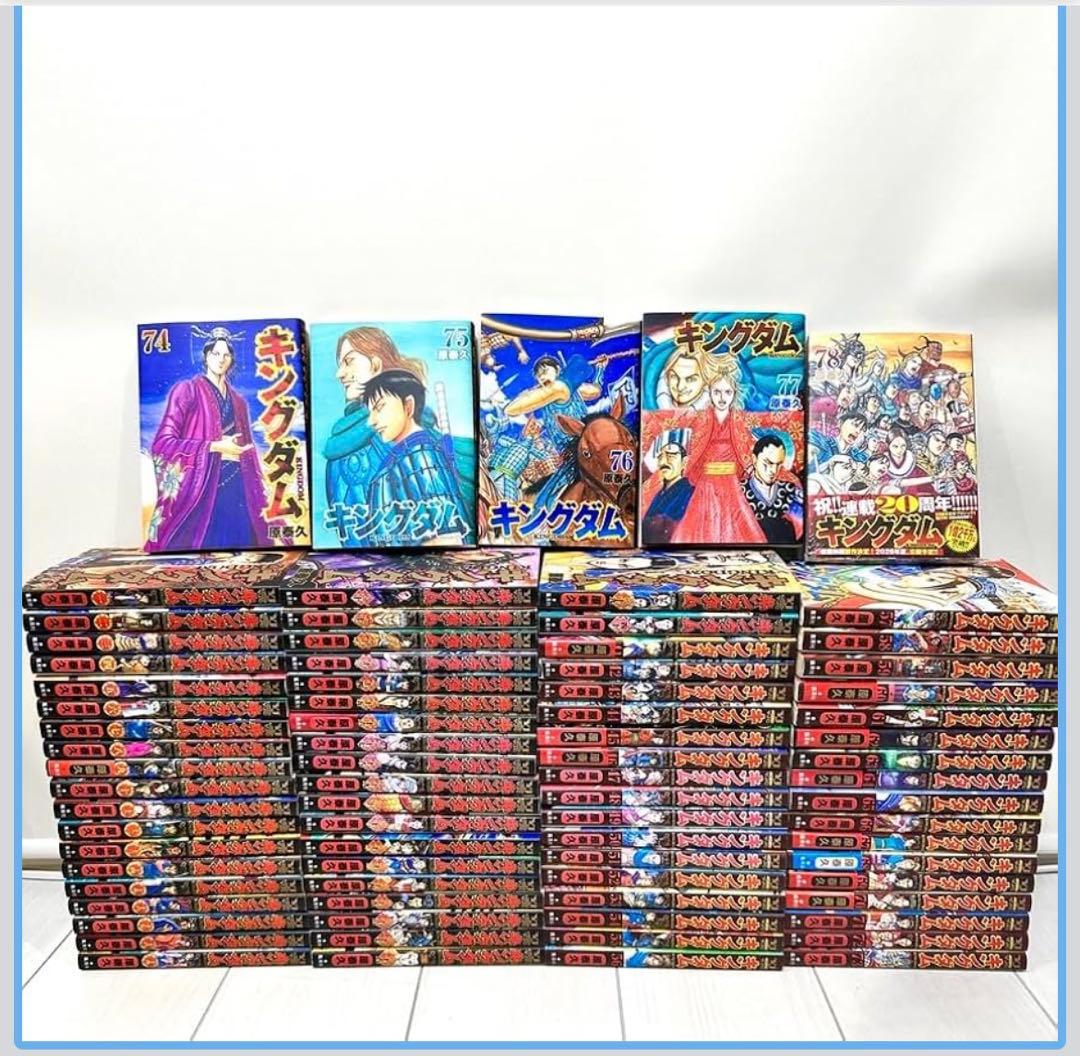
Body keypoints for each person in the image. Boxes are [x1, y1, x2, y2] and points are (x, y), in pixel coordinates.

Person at [146, 329, 269, 551]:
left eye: (226, 355)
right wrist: (213, 446)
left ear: (231, 360)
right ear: (205, 356)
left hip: (239, 487)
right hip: (203, 490)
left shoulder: (239, 402)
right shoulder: (187, 391)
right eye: (215, 353)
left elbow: (246, 446)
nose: (221, 359)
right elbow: (162, 444)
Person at [361, 369, 470, 546]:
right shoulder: (405, 456)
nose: (371, 421)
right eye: (371, 411)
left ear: (408, 406)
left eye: (379, 408)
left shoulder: (421, 456)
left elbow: (447, 537)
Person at [670, 358, 765, 543]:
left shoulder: (739, 420)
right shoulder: (702, 419)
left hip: (731, 480)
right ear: (710, 393)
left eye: (727, 392)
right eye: (717, 392)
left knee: (736, 523)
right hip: (707, 481)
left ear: (734, 394)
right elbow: (695, 445)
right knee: (702, 523)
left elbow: (745, 445)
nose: (722, 397)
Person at [741, 433, 803, 545]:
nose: (773, 470)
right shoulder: (740, 492)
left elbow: (800, 531)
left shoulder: (791, 491)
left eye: (778, 464)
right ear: (754, 460)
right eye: (768, 463)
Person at [642, 429, 695, 545]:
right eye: (660, 457)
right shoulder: (659, 493)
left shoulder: (689, 492)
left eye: (670, 456)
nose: (663, 462)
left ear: (684, 462)